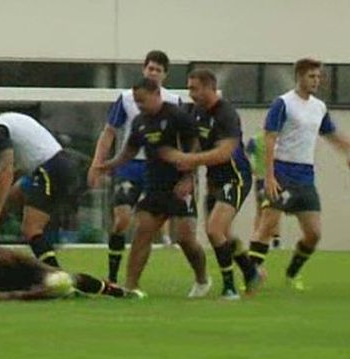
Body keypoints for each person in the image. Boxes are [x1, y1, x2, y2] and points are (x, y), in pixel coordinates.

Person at [98, 78, 210, 298]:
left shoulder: (177, 116)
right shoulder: (140, 121)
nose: (139, 106)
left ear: (156, 93)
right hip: (155, 185)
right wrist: (109, 165)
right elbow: (129, 151)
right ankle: (131, 286)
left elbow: (194, 147)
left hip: (179, 185)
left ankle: (202, 279)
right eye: (136, 102)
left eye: (142, 100)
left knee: (185, 238)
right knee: (143, 232)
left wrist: (188, 178)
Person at [247, 58, 350, 291]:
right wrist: (270, 176)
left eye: (318, 76)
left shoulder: (319, 107)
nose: (316, 81)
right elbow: (270, 138)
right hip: (281, 171)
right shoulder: (283, 103)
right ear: (300, 77)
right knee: (268, 224)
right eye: (311, 76)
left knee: (313, 234)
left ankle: (292, 273)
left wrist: (348, 151)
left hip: (305, 176)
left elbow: (331, 134)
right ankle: (251, 274)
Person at [164, 69, 261, 300]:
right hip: (214, 179)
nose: (191, 94)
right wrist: (189, 175)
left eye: (194, 89)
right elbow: (197, 144)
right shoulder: (196, 112)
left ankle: (229, 288)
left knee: (214, 229)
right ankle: (250, 271)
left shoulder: (226, 114)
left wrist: (188, 160)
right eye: (189, 89)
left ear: (210, 87)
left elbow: (223, 153)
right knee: (224, 233)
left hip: (235, 177)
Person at [87, 50, 181, 283]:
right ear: (143, 69)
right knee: (121, 220)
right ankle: (112, 276)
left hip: (157, 169)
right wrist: (97, 163)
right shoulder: (127, 98)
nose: (153, 73)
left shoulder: (174, 101)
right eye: (150, 68)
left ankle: (134, 277)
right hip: (129, 166)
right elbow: (110, 132)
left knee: (146, 226)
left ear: (165, 75)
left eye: (158, 70)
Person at [0, 111, 83, 268]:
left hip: (50, 170)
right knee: (13, 194)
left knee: (30, 229)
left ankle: (55, 274)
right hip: (54, 166)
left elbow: (6, 167)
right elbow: (25, 158)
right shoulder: (10, 119)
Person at [0, 243, 129, 300]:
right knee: (59, 291)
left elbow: (17, 256)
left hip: (26, 272)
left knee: (74, 278)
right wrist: (38, 293)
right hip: (23, 288)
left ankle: (113, 291)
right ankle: (70, 294)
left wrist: (48, 269)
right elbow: (8, 296)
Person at [246, 132, 281, 248]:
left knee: (264, 209)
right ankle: (273, 239)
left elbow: (245, 155)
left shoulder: (256, 139)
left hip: (265, 178)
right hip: (271, 178)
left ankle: (262, 238)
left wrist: (252, 168)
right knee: (271, 208)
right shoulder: (278, 139)